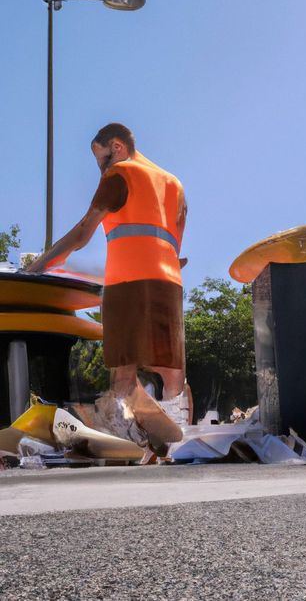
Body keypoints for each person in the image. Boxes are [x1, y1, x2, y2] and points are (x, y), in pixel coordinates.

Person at [28, 123, 190, 449]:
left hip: (127, 281)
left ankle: (123, 430)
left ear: (116, 147)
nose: (101, 168)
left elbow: (83, 232)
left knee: (123, 365)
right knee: (170, 364)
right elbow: (176, 243)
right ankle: (178, 424)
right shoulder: (174, 185)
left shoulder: (119, 175)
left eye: (102, 158)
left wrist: (40, 264)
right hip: (169, 281)